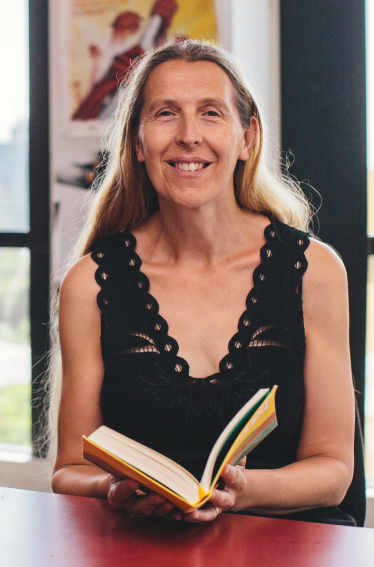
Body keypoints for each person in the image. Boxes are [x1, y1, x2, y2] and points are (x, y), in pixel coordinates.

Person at [51, 39, 356, 526]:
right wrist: (111, 489)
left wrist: (241, 491)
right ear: (136, 141)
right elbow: (69, 469)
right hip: (141, 551)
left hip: (281, 550)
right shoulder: (88, 284)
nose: (189, 136)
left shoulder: (315, 271)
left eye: (211, 113)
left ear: (246, 137)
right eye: (166, 114)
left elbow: (334, 468)